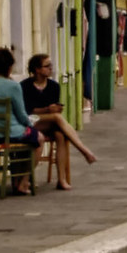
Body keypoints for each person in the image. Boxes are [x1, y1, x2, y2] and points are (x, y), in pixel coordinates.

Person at [0, 47, 43, 195]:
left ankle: (16, 181)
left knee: (24, 135)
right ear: (9, 67)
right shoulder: (12, 86)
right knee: (37, 138)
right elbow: (22, 115)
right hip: (7, 133)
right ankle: (23, 182)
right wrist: (32, 125)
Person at [23, 54, 98, 189]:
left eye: (51, 65)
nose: (50, 68)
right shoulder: (25, 86)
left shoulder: (54, 86)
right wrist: (47, 109)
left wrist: (55, 109)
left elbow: (54, 110)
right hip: (32, 123)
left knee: (60, 135)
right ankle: (83, 150)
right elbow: (28, 111)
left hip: (48, 122)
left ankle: (61, 179)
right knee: (57, 118)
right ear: (37, 69)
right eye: (47, 66)